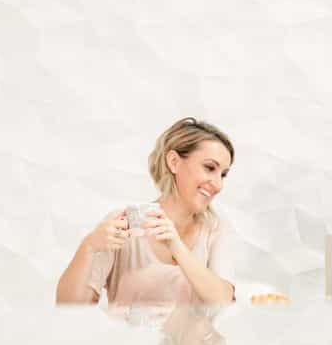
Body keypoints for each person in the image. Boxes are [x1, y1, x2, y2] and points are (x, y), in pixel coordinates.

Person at [56, 117, 238, 305]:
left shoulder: (215, 230)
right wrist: (89, 246)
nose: (218, 185)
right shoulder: (123, 224)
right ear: (174, 162)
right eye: (209, 168)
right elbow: (70, 309)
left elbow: (223, 301)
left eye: (223, 174)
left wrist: (176, 245)